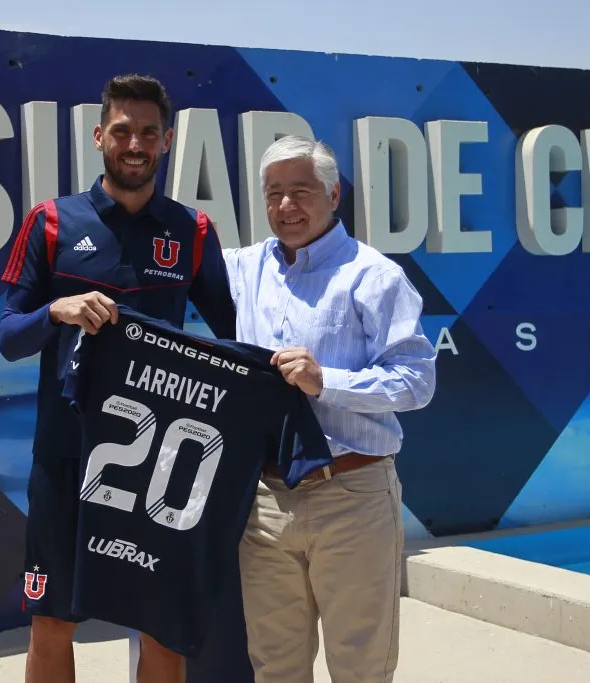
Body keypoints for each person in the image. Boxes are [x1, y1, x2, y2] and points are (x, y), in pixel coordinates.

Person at [0, 73, 236, 683]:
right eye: (123, 131)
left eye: (149, 133)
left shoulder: (194, 231)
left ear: (168, 141)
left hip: (162, 468)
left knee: (161, 625)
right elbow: (7, 337)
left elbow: (237, 338)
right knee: (52, 622)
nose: (136, 144)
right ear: (100, 135)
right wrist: (58, 310)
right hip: (66, 459)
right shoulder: (50, 221)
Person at [222, 135, 437, 683]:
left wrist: (327, 381)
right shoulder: (243, 269)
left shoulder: (374, 275)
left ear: (334, 194)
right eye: (274, 194)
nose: (286, 206)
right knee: (274, 669)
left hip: (353, 497)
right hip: (266, 504)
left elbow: (417, 382)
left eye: (301, 190)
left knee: (361, 668)